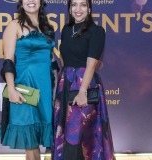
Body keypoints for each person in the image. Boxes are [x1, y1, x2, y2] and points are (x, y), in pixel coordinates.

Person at [52, 0, 115, 159]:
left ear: (89, 8)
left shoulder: (96, 31)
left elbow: (91, 64)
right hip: (65, 85)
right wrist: (64, 80)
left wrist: (82, 91)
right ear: (69, 8)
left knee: (82, 133)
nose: (78, 9)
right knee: (65, 132)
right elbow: (64, 58)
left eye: (83, 5)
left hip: (84, 84)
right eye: (74, 5)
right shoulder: (66, 30)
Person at [0, 0, 56, 159]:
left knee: (37, 138)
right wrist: (11, 89)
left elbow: (52, 59)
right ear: (21, 3)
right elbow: (8, 61)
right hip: (25, 89)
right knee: (30, 143)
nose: (31, 1)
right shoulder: (14, 26)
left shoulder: (47, 28)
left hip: (43, 89)